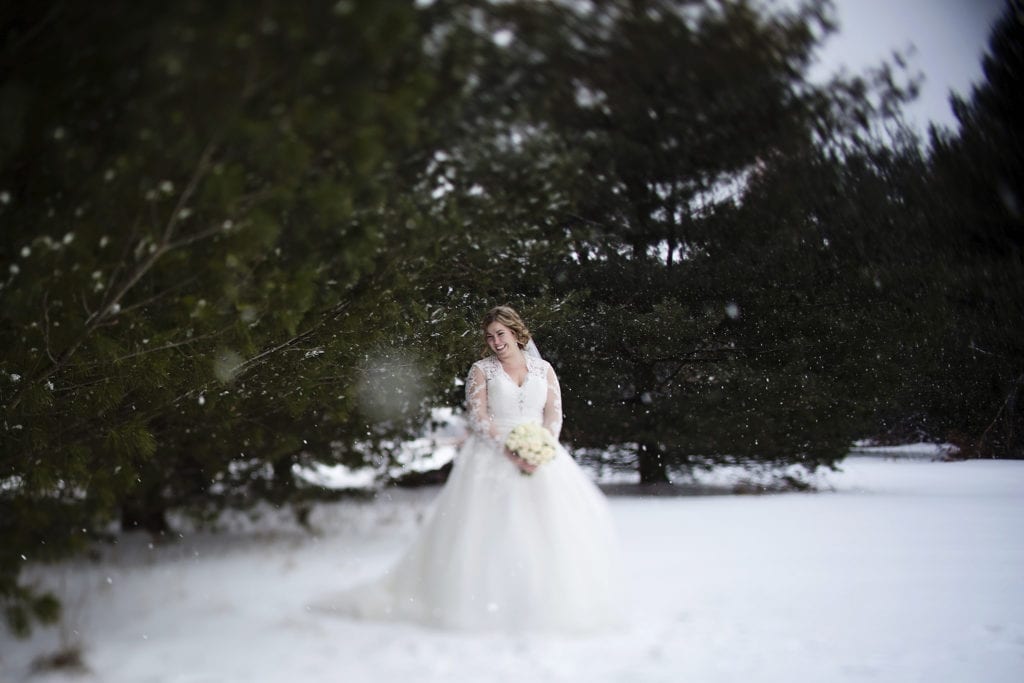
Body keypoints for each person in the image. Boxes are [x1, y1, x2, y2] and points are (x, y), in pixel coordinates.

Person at [318, 306, 620, 632]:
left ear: (516, 333)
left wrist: (543, 447)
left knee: (551, 531)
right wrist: (510, 449)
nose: (495, 342)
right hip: (492, 455)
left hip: (542, 456)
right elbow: (479, 418)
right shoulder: (481, 370)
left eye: (500, 334)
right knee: (486, 531)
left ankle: (545, 604)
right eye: (490, 337)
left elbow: (554, 414)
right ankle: (482, 604)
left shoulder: (543, 369)